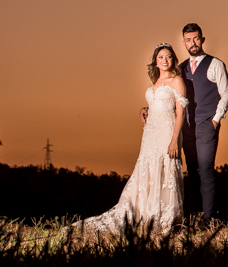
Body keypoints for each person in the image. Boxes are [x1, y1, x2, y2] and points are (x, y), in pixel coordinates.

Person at [77, 44, 187, 236]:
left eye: (168, 57)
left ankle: (162, 218)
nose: (164, 61)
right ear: (155, 60)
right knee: (147, 170)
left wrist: (174, 139)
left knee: (165, 170)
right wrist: (145, 109)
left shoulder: (176, 80)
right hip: (150, 134)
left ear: (173, 59)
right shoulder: (155, 81)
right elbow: (158, 104)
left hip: (167, 132)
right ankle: (143, 214)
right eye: (161, 57)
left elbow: (180, 112)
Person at [178, 22, 228, 224]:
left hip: (206, 123)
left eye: (196, 38)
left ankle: (209, 217)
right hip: (187, 127)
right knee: (192, 169)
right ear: (184, 42)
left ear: (202, 39)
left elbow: (226, 94)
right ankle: (198, 212)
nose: (193, 43)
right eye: (188, 40)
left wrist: (216, 120)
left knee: (206, 167)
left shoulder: (215, 64)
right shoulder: (181, 68)